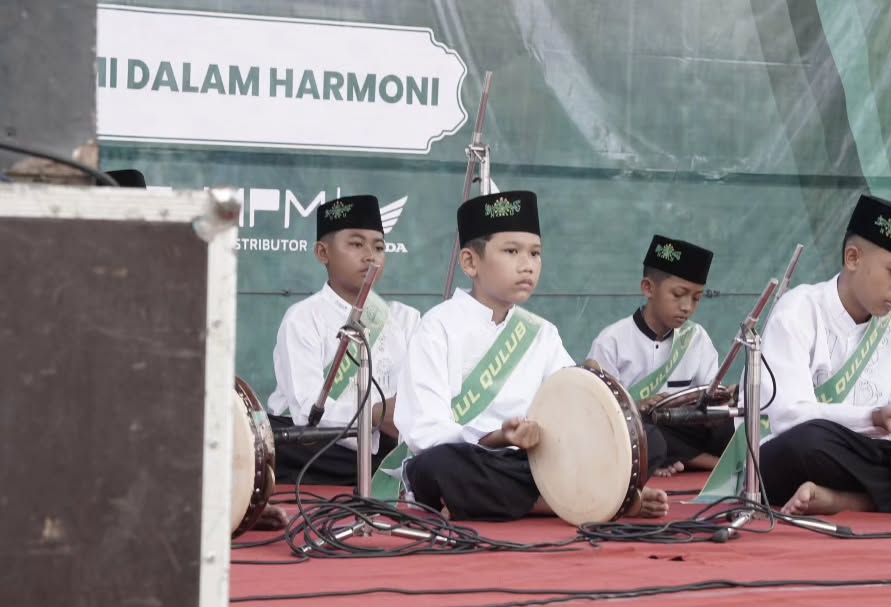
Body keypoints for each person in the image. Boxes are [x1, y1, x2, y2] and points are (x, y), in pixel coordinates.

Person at [393, 191, 669, 521]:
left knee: (646, 437)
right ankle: (593, 499)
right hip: (476, 459)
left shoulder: (541, 333)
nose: (527, 265)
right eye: (512, 251)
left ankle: (567, 498)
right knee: (437, 468)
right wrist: (499, 437)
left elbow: (574, 406)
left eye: (535, 253)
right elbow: (425, 432)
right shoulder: (436, 327)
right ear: (470, 262)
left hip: (540, 461)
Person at [754, 193, 891, 516]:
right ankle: (890, 499)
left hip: (872, 457)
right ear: (853, 258)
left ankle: (845, 501)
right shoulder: (798, 311)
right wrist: (873, 418)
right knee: (809, 440)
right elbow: (787, 418)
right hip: (797, 453)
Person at [266, 195, 420, 485]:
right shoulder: (303, 318)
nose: (370, 256)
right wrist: (376, 414)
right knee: (273, 444)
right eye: (356, 244)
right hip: (320, 445)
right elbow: (306, 413)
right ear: (323, 253)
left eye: (378, 247)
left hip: (385, 447)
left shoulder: (405, 319)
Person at [587, 235, 729, 476]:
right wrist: (637, 407)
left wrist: (720, 402)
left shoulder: (696, 337)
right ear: (648, 288)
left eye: (696, 298)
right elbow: (598, 413)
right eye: (678, 294)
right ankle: (711, 464)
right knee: (643, 430)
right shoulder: (612, 341)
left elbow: (710, 391)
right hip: (640, 429)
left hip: (685, 428)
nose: (687, 306)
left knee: (732, 423)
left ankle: (677, 458)